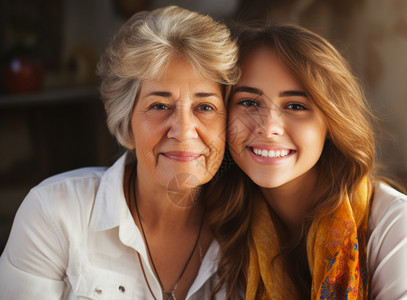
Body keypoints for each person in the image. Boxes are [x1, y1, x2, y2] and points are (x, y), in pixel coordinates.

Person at [0, 6, 239, 300]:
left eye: (205, 107)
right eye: (160, 106)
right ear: (127, 126)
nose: (184, 130)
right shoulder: (53, 213)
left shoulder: (250, 232)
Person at [205, 24, 407, 299]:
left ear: (331, 124)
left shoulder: (398, 225)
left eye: (295, 106)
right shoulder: (223, 226)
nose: (268, 127)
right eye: (249, 102)